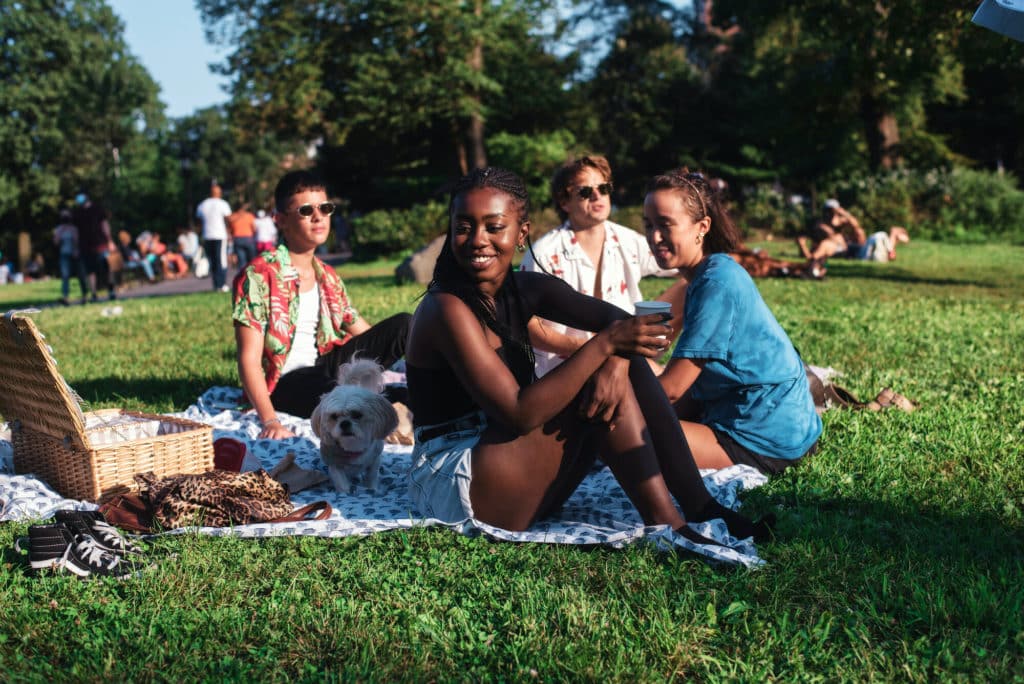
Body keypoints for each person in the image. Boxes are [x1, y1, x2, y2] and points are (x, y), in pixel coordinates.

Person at [404, 166, 770, 544]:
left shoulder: (524, 288)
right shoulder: (446, 308)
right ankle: (669, 527)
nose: (477, 239)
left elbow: (618, 318)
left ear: (521, 233)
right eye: (463, 227)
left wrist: (616, 357)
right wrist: (606, 346)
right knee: (595, 375)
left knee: (615, 372)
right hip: (456, 483)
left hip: (507, 470)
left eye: (494, 227)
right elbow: (518, 413)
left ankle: (698, 506)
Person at [644, 169, 821, 476]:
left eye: (665, 225)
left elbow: (672, 388)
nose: (654, 236)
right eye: (648, 225)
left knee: (627, 433)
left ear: (702, 227)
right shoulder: (709, 273)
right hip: (772, 417)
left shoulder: (717, 283)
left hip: (765, 435)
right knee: (633, 414)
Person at [232, 170, 412, 439]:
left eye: (325, 208)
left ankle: (432, 392)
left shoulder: (326, 274)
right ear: (280, 220)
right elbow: (248, 358)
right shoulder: (258, 275)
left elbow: (359, 328)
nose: (318, 217)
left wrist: (393, 360)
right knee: (343, 399)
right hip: (285, 381)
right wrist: (270, 421)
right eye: (306, 210)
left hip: (325, 363)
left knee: (405, 324)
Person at [521, 155, 684, 377]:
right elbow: (529, 327)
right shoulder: (544, 253)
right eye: (585, 191)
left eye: (604, 188)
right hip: (568, 368)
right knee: (664, 391)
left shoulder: (627, 239)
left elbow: (680, 262)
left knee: (690, 285)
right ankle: (658, 380)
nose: (598, 195)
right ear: (564, 202)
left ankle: (679, 368)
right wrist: (594, 350)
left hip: (627, 351)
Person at [797, 199, 910, 276]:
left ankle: (892, 244)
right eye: (830, 211)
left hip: (855, 250)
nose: (832, 214)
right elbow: (815, 255)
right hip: (855, 254)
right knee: (879, 236)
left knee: (864, 233)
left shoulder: (840, 223)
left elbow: (856, 225)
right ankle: (892, 245)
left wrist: (843, 213)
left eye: (833, 211)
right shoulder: (822, 229)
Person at [72, 193, 117, 302]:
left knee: (107, 267)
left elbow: (105, 225)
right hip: (85, 246)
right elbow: (76, 232)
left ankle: (111, 290)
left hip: (101, 243)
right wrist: (76, 246)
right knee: (90, 271)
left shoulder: (98, 209)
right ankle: (94, 294)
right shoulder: (77, 213)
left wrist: (110, 241)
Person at [196, 183, 233, 291]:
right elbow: (228, 219)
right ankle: (222, 284)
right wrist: (230, 232)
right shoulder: (222, 204)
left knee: (212, 261)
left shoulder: (202, 205)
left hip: (207, 235)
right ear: (219, 193)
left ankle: (216, 285)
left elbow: (199, 222)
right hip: (220, 235)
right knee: (221, 260)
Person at [54, 210, 87, 305]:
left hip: (75, 254)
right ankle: (65, 297)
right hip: (64, 254)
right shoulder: (59, 229)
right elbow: (56, 242)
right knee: (65, 276)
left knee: (81, 275)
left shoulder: (73, 229)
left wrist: (76, 251)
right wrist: (60, 232)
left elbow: (76, 241)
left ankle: (84, 295)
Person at [228, 203, 258, 270]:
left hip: (237, 239)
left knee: (241, 262)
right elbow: (254, 228)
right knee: (252, 261)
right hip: (248, 239)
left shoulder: (232, 217)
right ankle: (252, 276)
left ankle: (242, 278)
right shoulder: (249, 216)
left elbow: (230, 230)